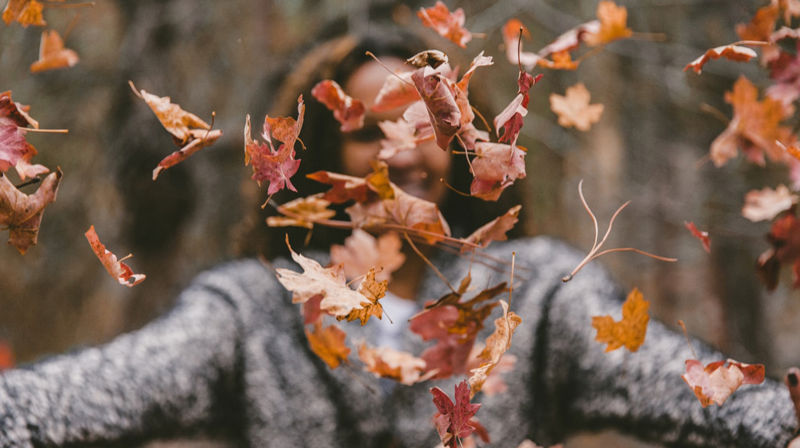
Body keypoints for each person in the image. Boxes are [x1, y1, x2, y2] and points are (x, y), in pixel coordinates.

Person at [0, 26, 798, 448]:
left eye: (423, 123)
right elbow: (88, 393)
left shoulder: (537, 295)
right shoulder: (252, 313)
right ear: (319, 162)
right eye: (366, 133)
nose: (399, 151)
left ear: (457, 143)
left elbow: (689, 388)